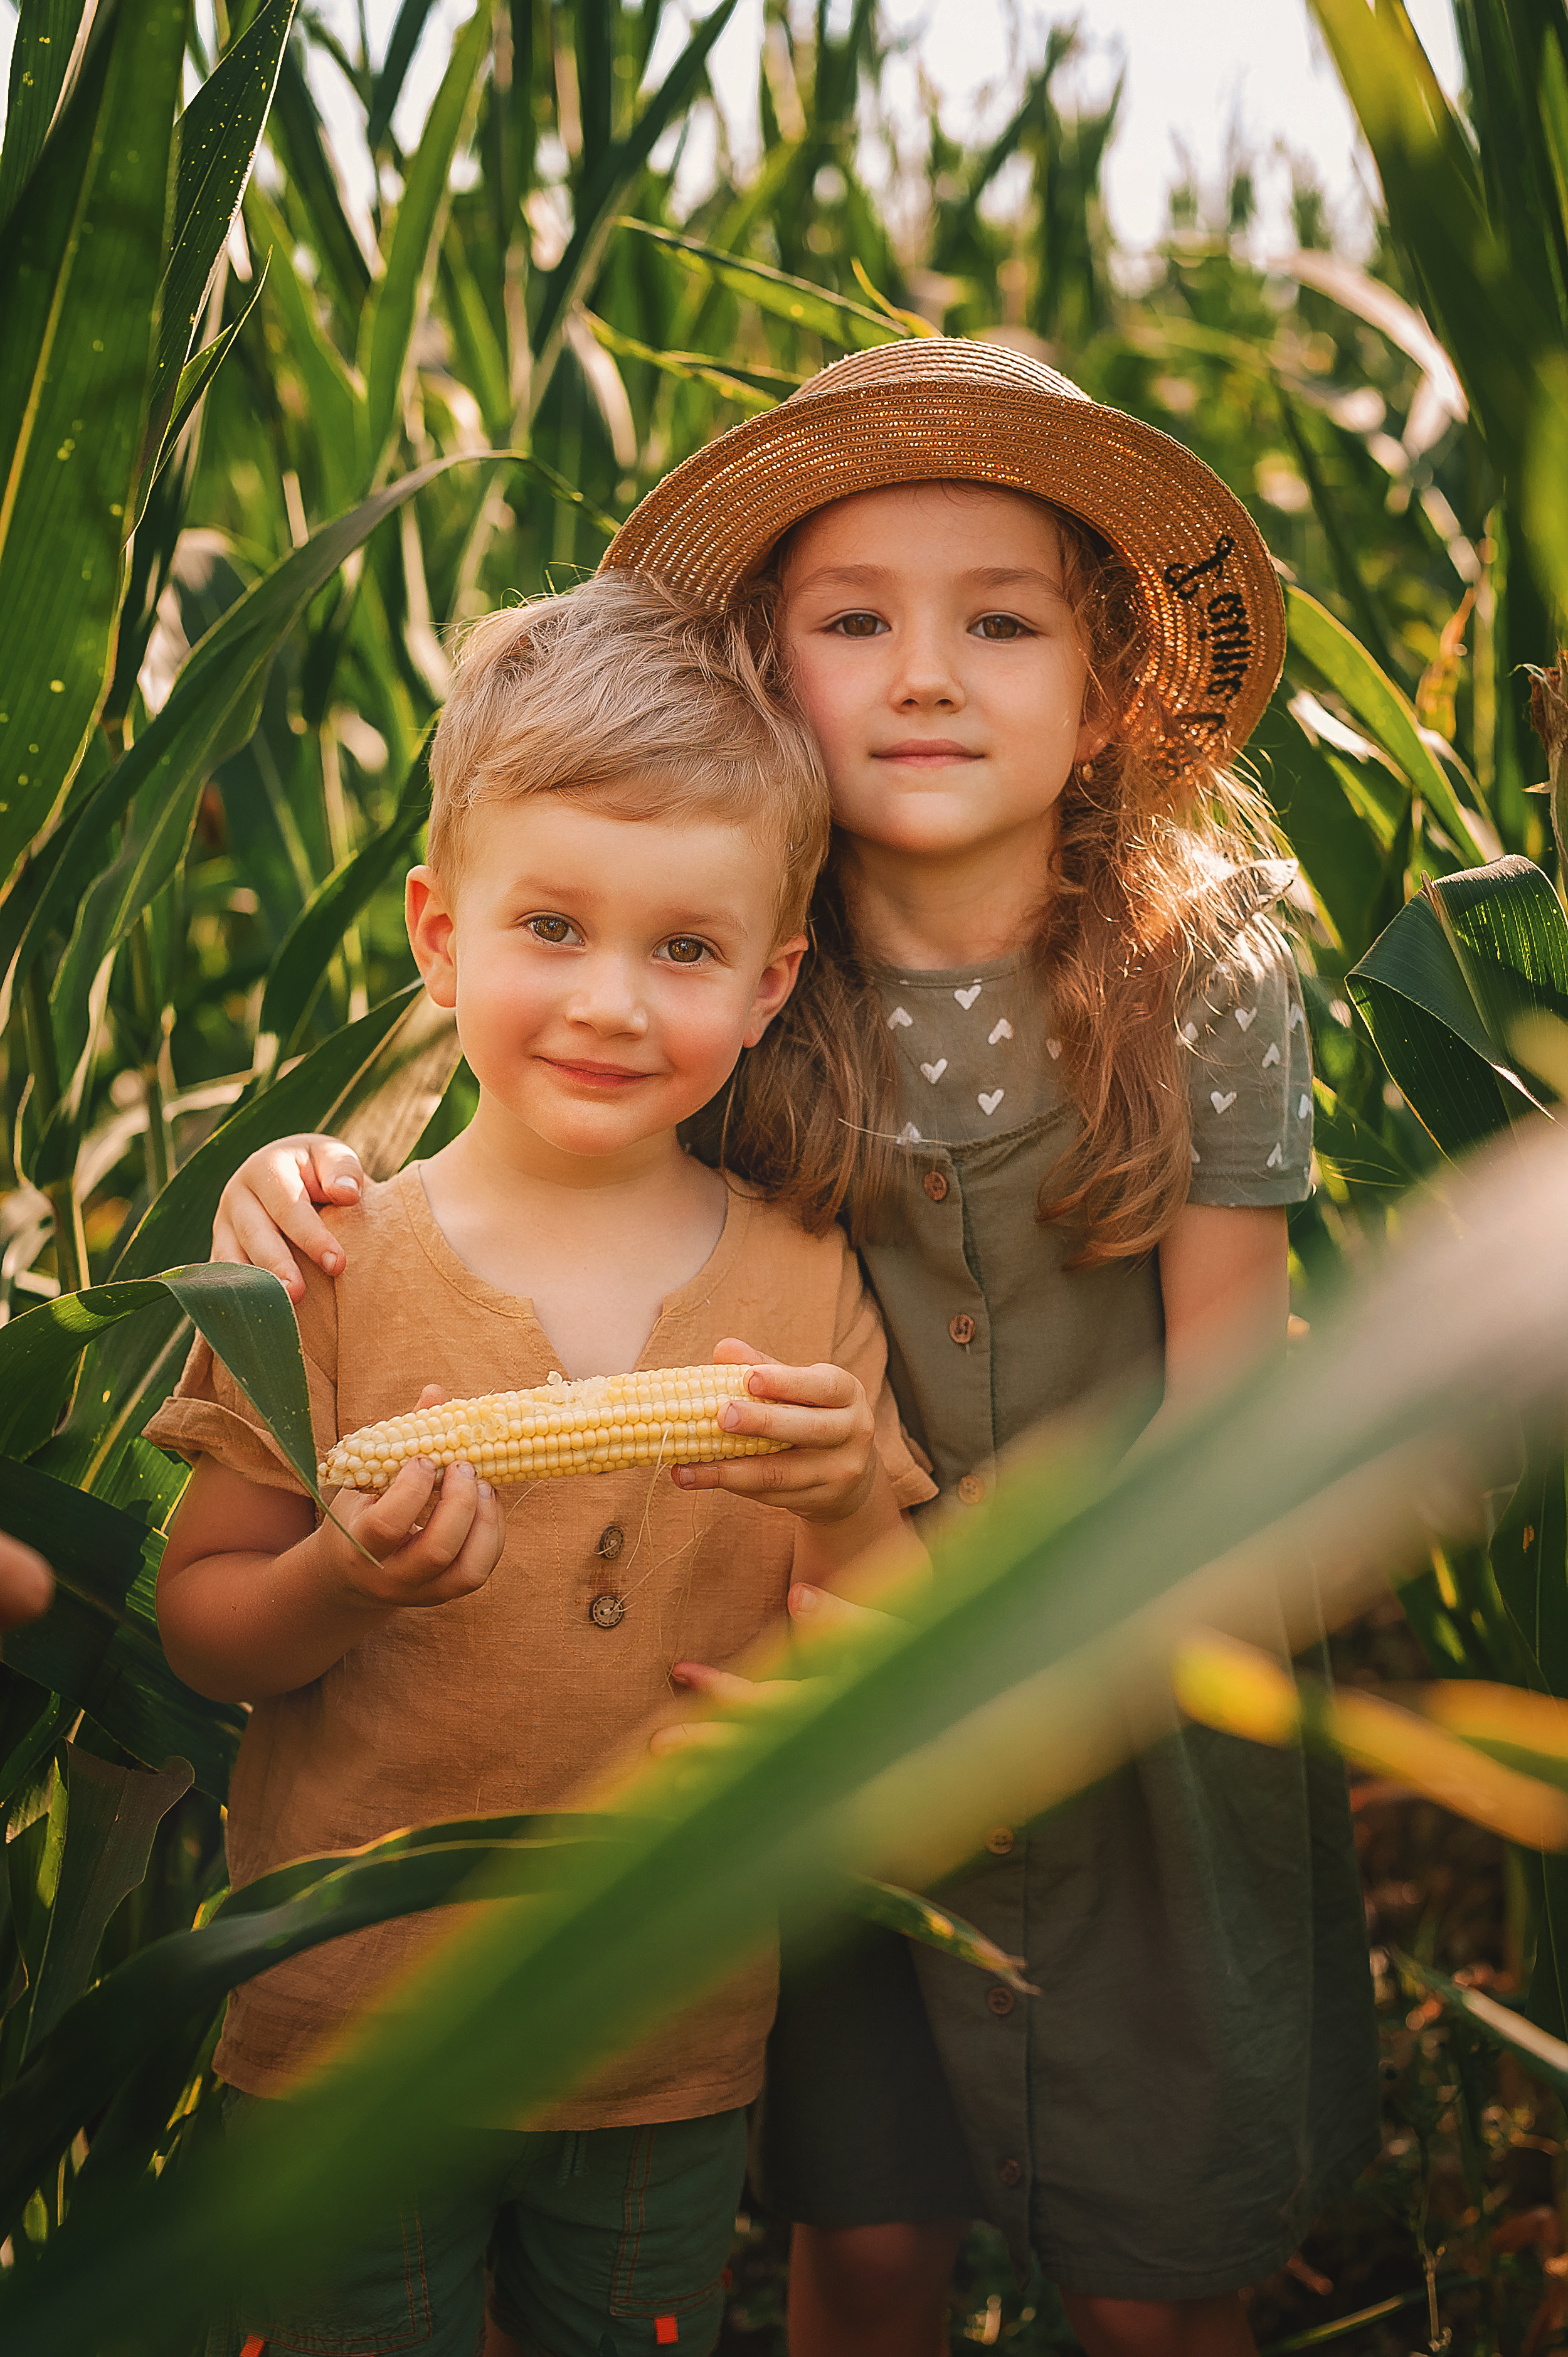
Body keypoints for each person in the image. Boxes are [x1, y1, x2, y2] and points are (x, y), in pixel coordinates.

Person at [206, 340, 1379, 2357]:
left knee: (1149, 2263)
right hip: (796, 1713)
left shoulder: (1202, 967)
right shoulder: (745, 958)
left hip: (1114, 1676)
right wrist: (293, 1184)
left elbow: (1230, 1415)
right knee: (866, 2219)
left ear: (1104, 686)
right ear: (772, 672)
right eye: (856, 622)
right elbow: (528, 1154)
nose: (924, 673)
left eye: (998, 623)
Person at [146, 570, 935, 2357]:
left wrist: (838, 1499)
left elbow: (882, 1658)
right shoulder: (324, 1267)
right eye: (550, 927)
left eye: (681, 950)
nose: (608, 1001)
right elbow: (206, 1630)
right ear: (438, 934)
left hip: (655, 2035)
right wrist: (339, 1581)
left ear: (771, 979)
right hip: (348, 2024)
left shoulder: (805, 1279)